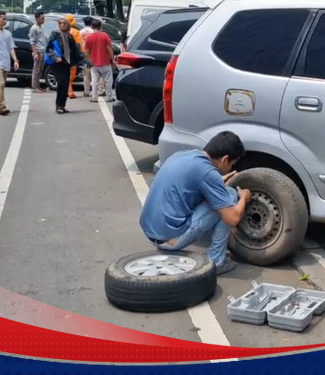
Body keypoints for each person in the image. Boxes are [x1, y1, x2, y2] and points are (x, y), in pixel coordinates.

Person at [139, 132, 252, 275]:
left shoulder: (182, 156)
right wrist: (243, 197)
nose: (231, 167)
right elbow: (233, 218)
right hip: (169, 240)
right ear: (225, 159)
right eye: (232, 164)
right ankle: (217, 262)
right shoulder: (208, 173)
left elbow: (193, 183)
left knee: (221, 194)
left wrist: (218, 180)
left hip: (150, 231)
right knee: (230, 195)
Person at [46, 18, 81, 114]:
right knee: (61, 82)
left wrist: (82, 61)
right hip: (57, 62)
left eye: (64, 23)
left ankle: (62, 105)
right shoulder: (55, 34)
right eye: (60, 23)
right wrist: (55, 57)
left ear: (68, 25)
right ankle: (58, 106)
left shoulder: (69, 36)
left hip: (66, 62)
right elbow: (48, 48)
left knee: (65, 84)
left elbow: (75, 50)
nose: (62, 25)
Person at [84, 18, 117, 103]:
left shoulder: (89, 37)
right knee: (108, 80)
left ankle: (94, 97)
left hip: (94, 63)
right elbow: (109, 48)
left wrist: (89, 60)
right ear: (100, 26)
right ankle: (109, 96)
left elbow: (86, 51)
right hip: (105, 62)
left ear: (92, 26)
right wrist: (112, 59)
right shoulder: (105, 36)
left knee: (94, 81)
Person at [64, 14, 86, 99]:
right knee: (72, 74)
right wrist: (82, 55)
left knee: (65, 74)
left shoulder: (60, 32)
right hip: (73, 56)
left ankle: (68, 90)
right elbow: (79, 45)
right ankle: (69, 91)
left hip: (63, 56)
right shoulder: (75, 32)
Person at [28, 11, 48, 93]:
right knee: (36, 69)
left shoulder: (40, 27)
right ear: (37, 19)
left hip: (42, 50)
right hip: (38, 51)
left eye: (44, 18)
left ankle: (38, 86)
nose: (43, 20)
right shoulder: (34, 28)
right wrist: (35, 53)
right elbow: (32, 41)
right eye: (42, 18)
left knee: (40, 70)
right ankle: (35, 87)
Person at [79, 16, 96, 96]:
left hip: (84, 52)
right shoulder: (94, 32)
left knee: (86, 73)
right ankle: (95, 90)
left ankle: (86, 91)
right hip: (94, 52)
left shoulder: (80, 32)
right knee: (94, 72)